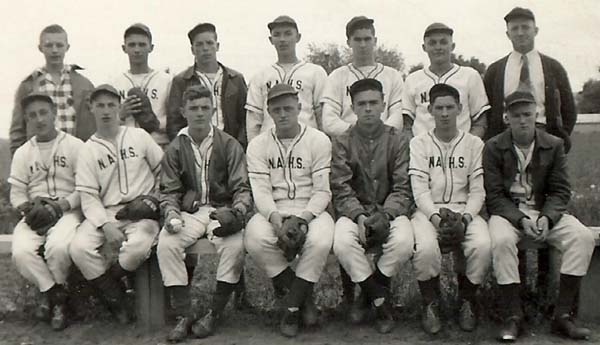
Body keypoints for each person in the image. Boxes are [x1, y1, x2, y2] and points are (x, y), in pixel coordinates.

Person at [483, 90, 594, 342]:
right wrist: (520, 219)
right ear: (506, 117)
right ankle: (513, 316)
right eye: (516, 115)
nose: (522, 120)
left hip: (544, 210)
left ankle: (563, 316)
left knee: (582, 237)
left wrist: (547, 218)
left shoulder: (553, 144)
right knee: (500, 240)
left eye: (527, 115)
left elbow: (561, 190)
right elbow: (495, 196)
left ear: (537, 116)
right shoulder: (493, 147)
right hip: (509, 213)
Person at [157, 85, 252, 342]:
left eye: (204, 108)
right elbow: (168, 190)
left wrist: (238, 210)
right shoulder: (176, 147)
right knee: (166, 244)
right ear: (183, 111)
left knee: (234, 245)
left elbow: (242, 187)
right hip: (191, 212)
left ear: (213, 109)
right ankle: (184, 314)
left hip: (222, 210)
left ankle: (214, 312)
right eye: (193, 108)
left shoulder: (228, 144)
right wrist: (171, 213)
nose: (199, 113)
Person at [244, 83, 334, 337]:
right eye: (277, 109)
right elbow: (260, 190)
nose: (283, 114)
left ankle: (292, 307)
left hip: (310, 209)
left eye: (288, 108)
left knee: (320, 240)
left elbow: (323, 190)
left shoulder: (318, 140)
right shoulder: (258, 144)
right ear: (269, 112)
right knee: (254, 238)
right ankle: (305, 301)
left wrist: (303, 219)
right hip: (274, 209)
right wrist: (275, 219)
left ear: (299, 108)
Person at [69, 84, 163, 324]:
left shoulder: (138, 136)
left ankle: (107, 283)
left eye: (111, 104)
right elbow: (88, 197)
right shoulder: (88, 149)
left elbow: (165, 173)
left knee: (139, 247)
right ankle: (117, 300)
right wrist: (104, 225)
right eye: (100, 105)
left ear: (119, 106)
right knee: (79, 248)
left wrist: (154, 199)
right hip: (108, 211)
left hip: (142, 210)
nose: (106, 110)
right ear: (91, 108)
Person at [331, 79, 414, 334]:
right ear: (353, 107)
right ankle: (380, 302)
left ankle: (367, 294)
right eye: (362, 104)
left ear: (383, 105)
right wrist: (358, 216)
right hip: (356, 211)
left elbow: (402, 186)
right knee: (342, 243)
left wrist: (386, 215)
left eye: (373, 103)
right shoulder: (342, 141)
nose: (368, 109)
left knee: (403, 243)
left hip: (391, 210)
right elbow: (341, 188)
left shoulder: (398, 139)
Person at [409, 84, 491, 334]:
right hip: (429, 211)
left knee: (482, 245)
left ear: (460, 109)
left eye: (450, 107)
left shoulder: (474, 144)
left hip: (465, 209)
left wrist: (465, 220)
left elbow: (478, 190)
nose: (444, 113)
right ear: (430, 110)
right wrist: (435, 219)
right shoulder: (419, 143)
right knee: (424, 249)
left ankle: (467, 299)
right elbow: (419, 190)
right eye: (439, 108)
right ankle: (430, 303)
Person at [9, 93, 84, 330]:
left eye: (43, 112)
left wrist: (61, 206)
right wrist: (27, 208)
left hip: (67, 211)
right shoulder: (23, 152)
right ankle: (56, 294)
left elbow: (86, 188)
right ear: (27, 120)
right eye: (32, 115)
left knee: (59, 247)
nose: (39, 119)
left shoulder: (74, 146)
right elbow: (17, 192)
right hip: (36, 215)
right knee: (20, 252)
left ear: (54, 114)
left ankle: (52, 300)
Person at [483, 7, 576, 153]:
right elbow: (486, 110)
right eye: (515, 29)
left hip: (545, 137)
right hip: (504, 142)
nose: (520, 33)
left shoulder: (553, 67)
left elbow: (569, 109)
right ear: (508, 34)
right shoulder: (495, 70)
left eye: (525, 27)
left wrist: (558, 139)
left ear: (536, 30)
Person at [10, 24, 95, 155]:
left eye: (59, 45)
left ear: (67, 47)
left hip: (77, 157)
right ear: (40, 48)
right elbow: (17, 132)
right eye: (49, 45)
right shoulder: (28, 85)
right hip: (39, 159)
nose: (54, 50)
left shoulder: (84, 84)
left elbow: (96, 125)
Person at [245, 15, 327, 142]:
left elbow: (322, 116)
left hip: (307, 142)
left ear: (298, 37)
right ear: (271, 39)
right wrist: (254, 149)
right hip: (269, 145)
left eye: (288, 34)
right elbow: (253, 122)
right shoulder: (260, 77)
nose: (282, 39)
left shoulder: (315, 72)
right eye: (277, 35)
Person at [167, 23, 248, 147]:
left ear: (217, 46)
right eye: (199, 44)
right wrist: (185, 150)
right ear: (192, 50)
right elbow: (174, 123)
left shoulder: (235, 79)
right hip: (195, 147)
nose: (205, 48)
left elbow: (245, 119)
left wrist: (238, 147)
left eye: (209, 43)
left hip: (230, 146)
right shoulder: (181, 81)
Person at [321, 16, 404, 137]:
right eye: (357, 40)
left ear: (375, 41)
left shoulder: (392, 75)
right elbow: (329, 120)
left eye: (367, 39)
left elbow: (397, 117)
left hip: (384, 142)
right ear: (349, 42)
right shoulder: (337, 76)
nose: (363, 44)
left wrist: (379, 135)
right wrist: (357, 134)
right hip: (348, 142)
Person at [402, 23, 489, 138]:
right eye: (432, 43)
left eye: (443, 42)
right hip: (423, 151)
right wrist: (415, 149)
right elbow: (407, 124)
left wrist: (468, 147)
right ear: (424, 47)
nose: (438, 47)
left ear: (452, 46)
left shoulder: (470, 76)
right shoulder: (412, 80)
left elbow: (480, 121)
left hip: (461, 150)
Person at [111, 23, 172, 147]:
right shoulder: (115, 83)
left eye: (142, 44)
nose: (137, 50)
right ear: (124, 48)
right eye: (132, 45)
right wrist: (121, 115)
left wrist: (155, 123)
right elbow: (105, 124)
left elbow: (176, 120)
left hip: (158, 144)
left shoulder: (166, 80)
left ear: (151, 47)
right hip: (125, 148)